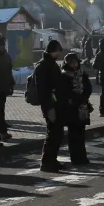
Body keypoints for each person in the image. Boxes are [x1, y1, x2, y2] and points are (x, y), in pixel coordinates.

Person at [55, 51, 93, 163]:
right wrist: (76, 98)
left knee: (81, 133)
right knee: (73, 134)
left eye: (76, 63)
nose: (74, 65)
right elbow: (65, 92)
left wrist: (84, 97)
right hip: (71, 107)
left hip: (83, 106)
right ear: (67, 64)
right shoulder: (64, 75)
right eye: (72, 63)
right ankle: (75, 158)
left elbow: (88, 87)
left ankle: (83, 157)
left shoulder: (82, 73)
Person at [35, 39, 67, 172]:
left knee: (58, 133)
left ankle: (52, 159)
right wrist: (49, 107)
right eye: (57, 51)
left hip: (56, 104)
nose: (58, 54)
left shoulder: (52, 64)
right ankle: (46, 162)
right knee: (52, 133)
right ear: (52, 51)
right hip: (50, 105)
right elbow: (42, 90)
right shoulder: (43, 66)